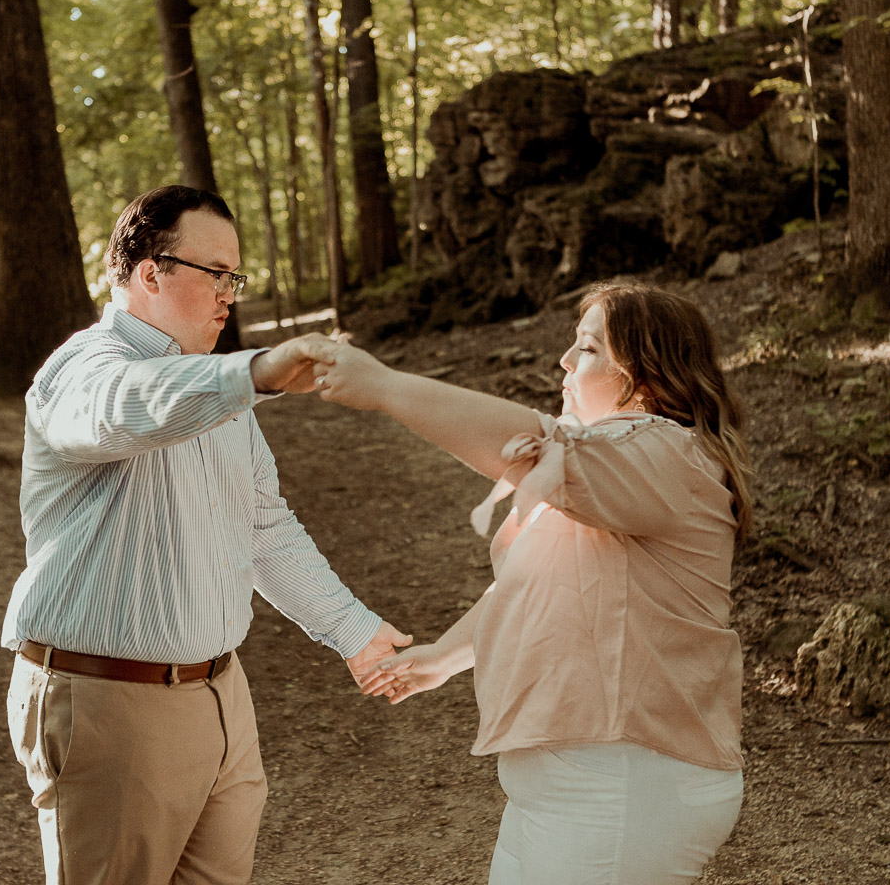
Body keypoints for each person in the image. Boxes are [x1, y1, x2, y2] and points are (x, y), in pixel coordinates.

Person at [1, 184, 410, 885]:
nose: (229, 294)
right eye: (215, 273)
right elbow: (127, 406)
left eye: (234, 277)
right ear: (150, 273)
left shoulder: (220, 387)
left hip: (223, 700)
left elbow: (262, 526)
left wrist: (355, 632)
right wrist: (258, 372)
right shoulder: (83, 369)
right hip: (108, 704)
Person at [314, 280, 751, 885]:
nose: (565, 361)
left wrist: (384, 386)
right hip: (576, 783)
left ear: (647, 377)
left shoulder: (666, 451)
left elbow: (530, 446)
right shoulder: (617, 470)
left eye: (589, 349)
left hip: (623, 785)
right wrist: (444, 656)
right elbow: (543, 581)